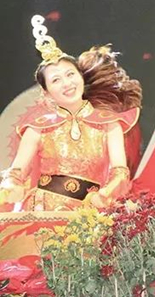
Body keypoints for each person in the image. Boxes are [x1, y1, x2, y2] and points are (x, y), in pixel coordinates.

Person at [0, 15, 141, 211]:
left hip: (90, 212)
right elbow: (16, 173)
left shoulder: (109, 124)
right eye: (56, 80)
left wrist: (105, 195)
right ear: (46, 92)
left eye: (70, 74)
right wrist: (10, 186)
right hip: (42, 211)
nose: (67, 83)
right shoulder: (37, 128)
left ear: (80, 77)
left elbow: (120, 173)